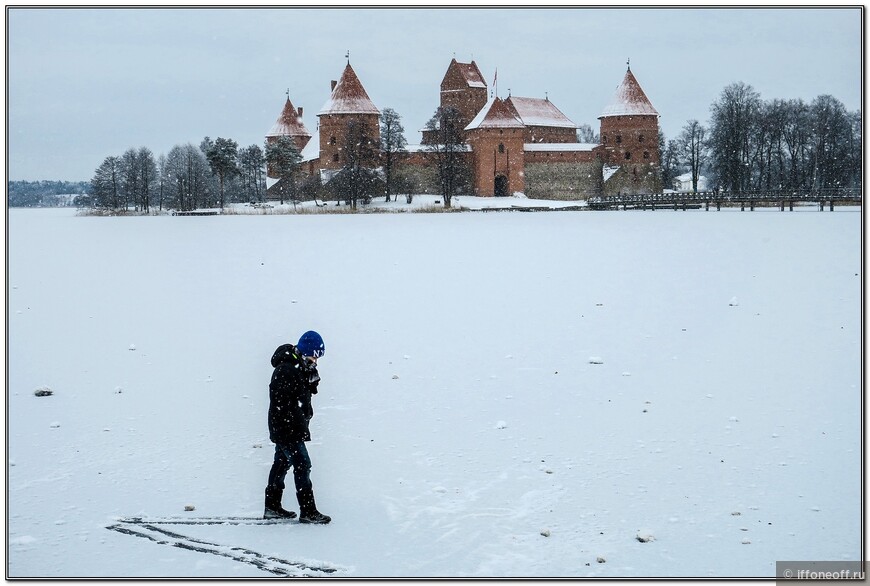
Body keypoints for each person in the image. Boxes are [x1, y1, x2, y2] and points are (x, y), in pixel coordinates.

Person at [264, 330, 331, 524]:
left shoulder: (298, 367)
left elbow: (302, 396)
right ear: (305, 350)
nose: (316, 360)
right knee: (303, 464)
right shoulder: (286, 369)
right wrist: (293, 425)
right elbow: (283, 403)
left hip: (290, 427)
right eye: (314, 355)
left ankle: (272, 507)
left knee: (282, 463)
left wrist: (311, 382)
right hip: (287, 428)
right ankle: (308, 511)